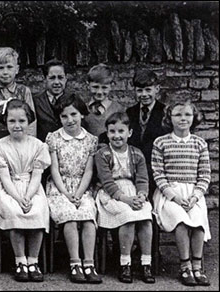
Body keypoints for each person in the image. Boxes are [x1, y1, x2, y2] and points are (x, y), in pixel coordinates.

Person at [151, 100, 211, 287]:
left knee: (199, 221)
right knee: (181, 222)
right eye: (177, 115)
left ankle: (197, 266)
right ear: (170, 118)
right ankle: (185, 266)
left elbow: (204, 175)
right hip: (169, 194)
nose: (183, 119)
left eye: (187, 114)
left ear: (194, 118)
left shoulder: (199, 143)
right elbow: (158, 174)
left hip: (193, 194)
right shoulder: (161, 142)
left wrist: (195, 197)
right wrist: (174, 196)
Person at [0, 99, 50, 282]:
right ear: (5, 122)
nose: (17, 126)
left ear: (29, 121)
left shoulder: (38, 146)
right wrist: (18, 198)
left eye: (21, 121)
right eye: (12, 121)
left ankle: (33, 260)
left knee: (38, 210)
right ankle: (20, 260)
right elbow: (5, 177)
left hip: (31, 187)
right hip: (9, 188)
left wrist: (28, 196)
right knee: (14, 211)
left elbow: (36, 175)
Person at [45, 94, 100, 283]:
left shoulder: (91, 140)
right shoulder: (53, 138)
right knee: (69, 215)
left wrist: (78, 193)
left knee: (87, 215)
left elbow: (89, 171)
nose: (70, 120)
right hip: (59, 188)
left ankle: (89, 263)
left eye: (74, 114)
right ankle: (75, 263)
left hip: (82, 187)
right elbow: (54, 170)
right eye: (64, 116)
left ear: (82, 115)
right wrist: (67, 194)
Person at [94, 112, 154, 284]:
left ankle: (145, 263)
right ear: (107, 133)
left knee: (145, 218)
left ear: (130, 132)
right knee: (128, 217)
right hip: (112, 194)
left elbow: (142, 179)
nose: (117, 136)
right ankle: (125, 263)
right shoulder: (103, 154)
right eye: (112, 131)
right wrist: (126, 200)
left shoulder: (137, 153)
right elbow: (107, 182)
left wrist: (141, 196)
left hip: (133, 191)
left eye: (121, 131)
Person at [126, 69, 170, 198]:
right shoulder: (130, 112)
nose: (144, 94)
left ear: (157, 89)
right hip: (135, 169)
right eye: (139, 90)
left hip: (157, 168)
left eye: (148, 90)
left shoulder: (165, 112)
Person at [0, 47, 36, 141]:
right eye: (0, 68)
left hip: (20, 139)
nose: (5, 72)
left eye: (9, 67)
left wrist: (28, 142)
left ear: (17, 69)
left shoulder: (23, 91)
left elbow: (31, 121)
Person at [82, 63, 126, 137]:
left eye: (104, 88)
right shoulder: (83, 109)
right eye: (95, 87)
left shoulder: (119, 109)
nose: (99, 92)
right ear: (88, 85)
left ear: (111, 86)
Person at [34, 59, 68, 142]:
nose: (57, 82)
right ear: (45, 79)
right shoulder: (36, 101)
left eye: (60, 78)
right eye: (52, 78)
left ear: (66, 79)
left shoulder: (73, 99)